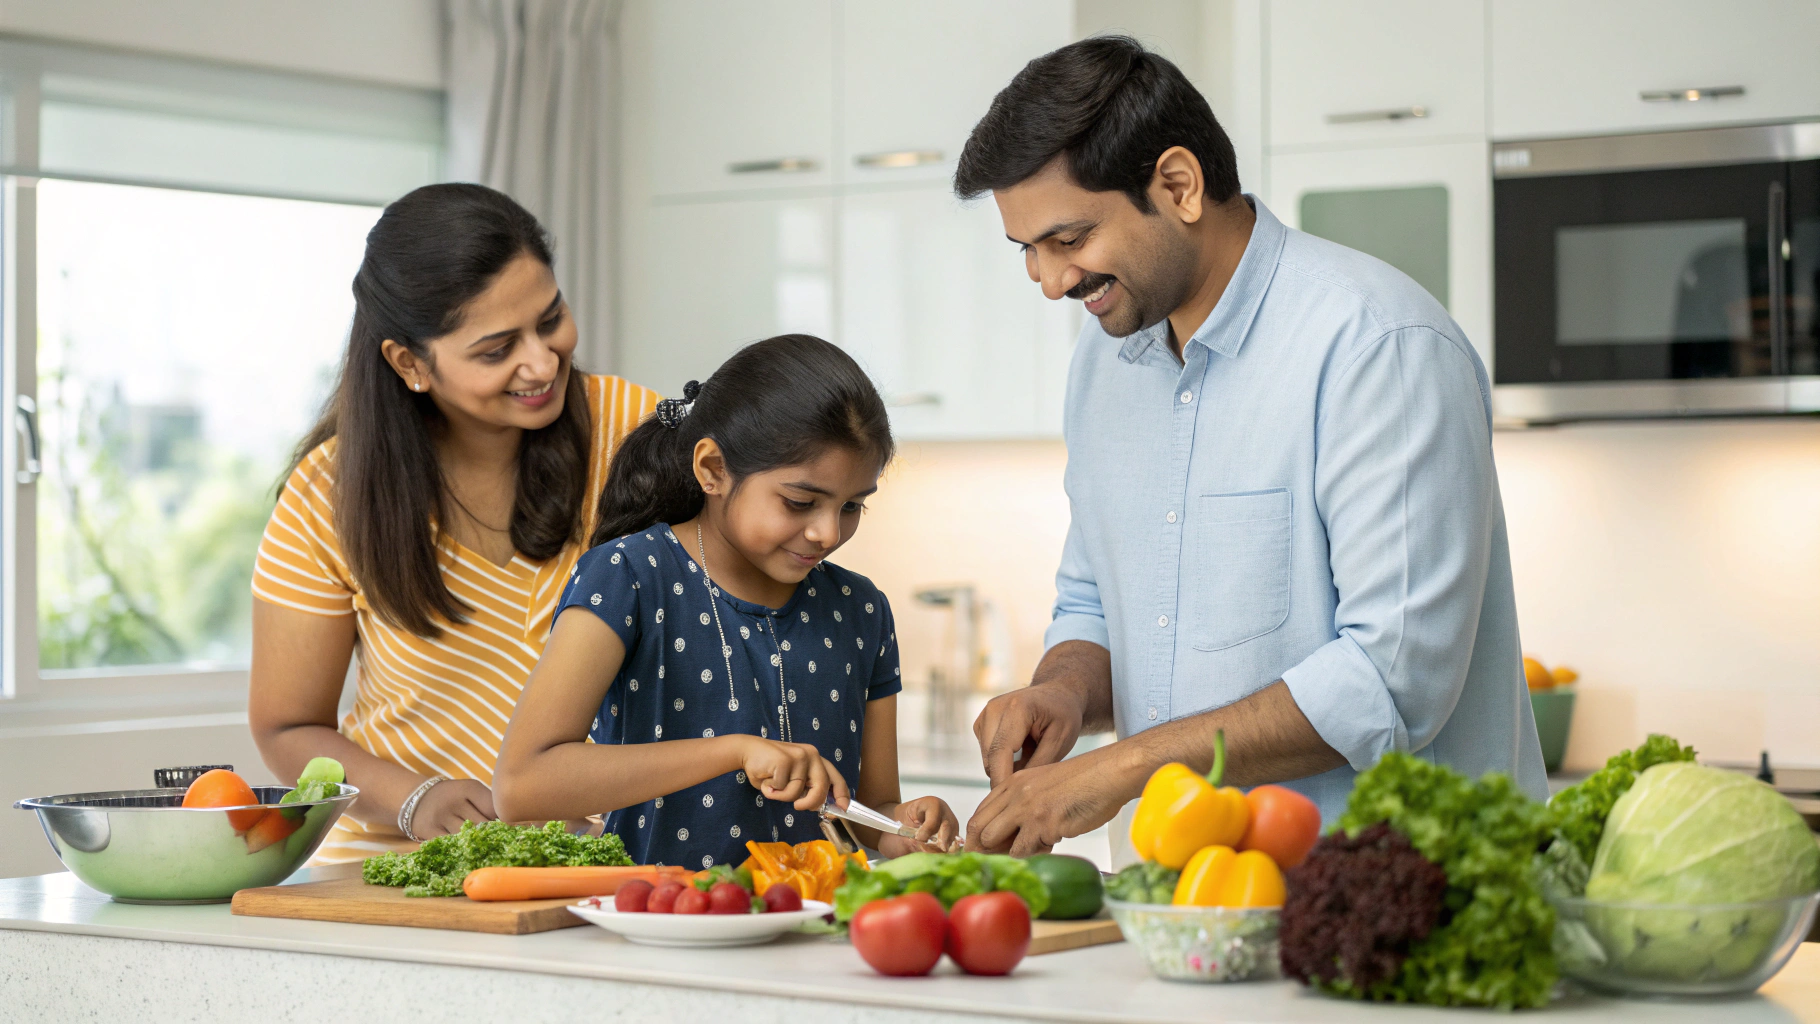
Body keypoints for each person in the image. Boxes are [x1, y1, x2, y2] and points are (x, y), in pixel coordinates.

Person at [954, 37, 1547, 858]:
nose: (1051, 282)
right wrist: (1062, 690)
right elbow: (1096, 601)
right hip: (1188, 906)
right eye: (1028, 251)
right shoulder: (1103, 361)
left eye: (1069, 239)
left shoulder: (1379, 346)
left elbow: (1389, 681)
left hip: (1397, 907)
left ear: (1179, 185)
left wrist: (1119, 769)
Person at [248, 183, 660, 861]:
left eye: (550, 318)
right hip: (398, 866)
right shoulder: (330, 491)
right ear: (409, 363)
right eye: (497, 350)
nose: (542, 361)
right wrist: (415, 799)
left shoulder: (634, 433)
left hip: (619, 864)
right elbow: (287, 727)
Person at [491, 335, 962, 867]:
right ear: (712, 469)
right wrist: (734, 751)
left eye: (852, 506)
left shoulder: (861, 610)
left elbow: (868, 809)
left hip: (816, 932)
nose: (827, 533)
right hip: (661, 927)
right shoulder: (629, 577)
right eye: (800, 502)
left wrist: (902, 825)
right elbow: (522, 785)